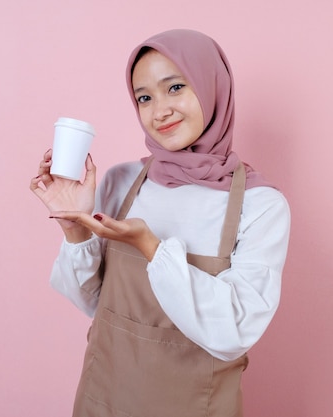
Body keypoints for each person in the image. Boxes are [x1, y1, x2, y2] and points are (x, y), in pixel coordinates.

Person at [30, 29, 290, 417]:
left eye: (175, 87)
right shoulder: (121, 181)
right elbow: (94, 305)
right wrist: (75, 226)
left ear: (212, 87)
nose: (159, 111)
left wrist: (151, 248)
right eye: (145, 98)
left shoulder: (261, 206)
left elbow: (234, 331)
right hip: (104, 400)